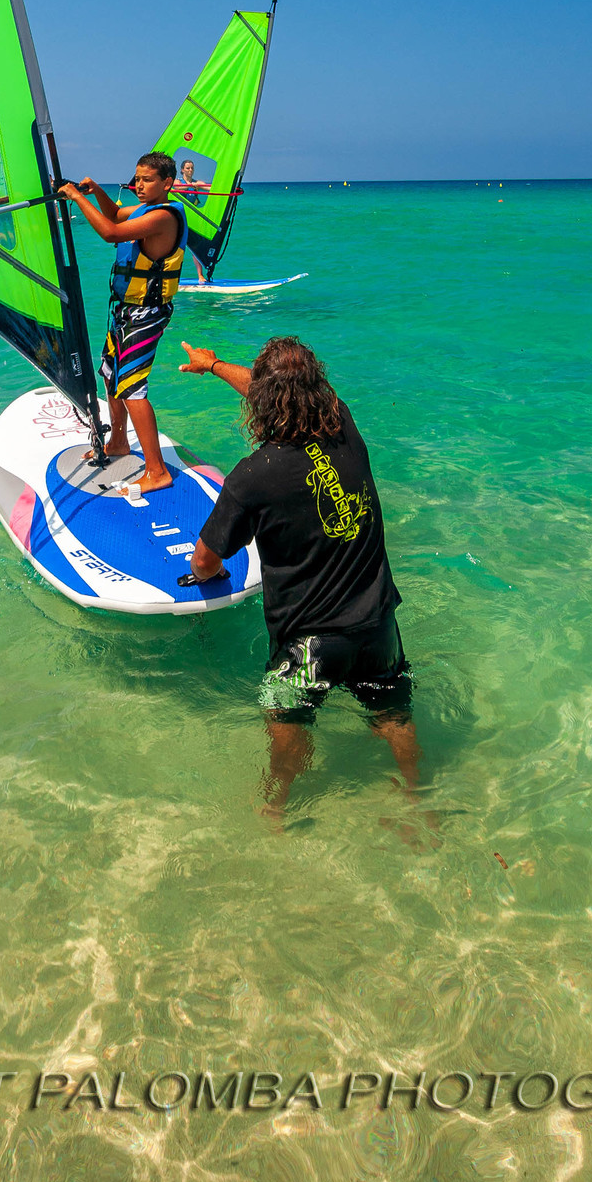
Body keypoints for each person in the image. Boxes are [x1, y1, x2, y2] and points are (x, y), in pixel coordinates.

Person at [179, 336, 422, 822]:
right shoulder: (344, 424)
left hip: (308, 646)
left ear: (264, 405)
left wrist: (209, 571)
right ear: (319, 388)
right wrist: (216, 367)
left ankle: (276, 809)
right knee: (394, 716)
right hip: (377, 626)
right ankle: (419, 799)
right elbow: (282, 391)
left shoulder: (253, 476)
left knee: (285, 718)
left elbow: (205, 559)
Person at [56, 152, 190, 494]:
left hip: (145, 314)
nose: (138, 185)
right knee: (111, 375)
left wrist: (74, 197)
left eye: (146, 180)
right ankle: (118, 442)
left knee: (132, 387)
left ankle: (158, 471)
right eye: (137, 178)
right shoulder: (144, 209)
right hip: (123, 309)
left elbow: (111, 232)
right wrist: (96, 191)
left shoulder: (163, 216)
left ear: (167, 183)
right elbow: (115, 213)